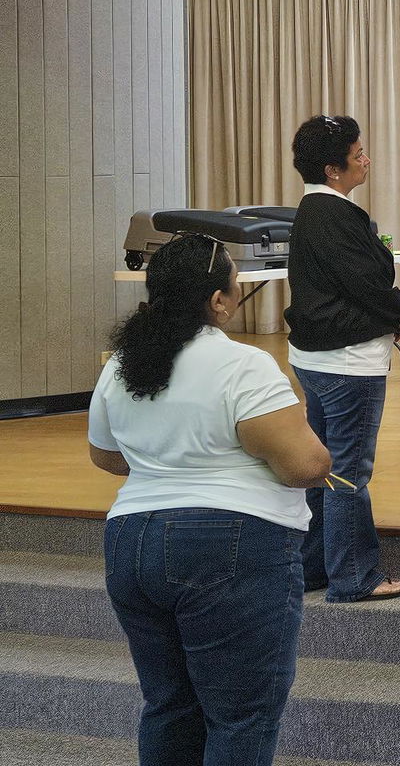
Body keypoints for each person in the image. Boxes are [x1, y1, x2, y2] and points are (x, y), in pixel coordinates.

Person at [88, 234, 332, 765]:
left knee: (169, 706)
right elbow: (306, 466)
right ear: (218, 301)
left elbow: (107, 457)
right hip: (231, 543)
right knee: (240, 715)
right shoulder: (243, 366)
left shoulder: (121, 365)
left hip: (130, 541)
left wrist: (171, 459)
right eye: (234, 291)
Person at [284, 114, 400, 602]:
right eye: (358, 155)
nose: (367, 161)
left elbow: (358, 283)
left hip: (315, 359)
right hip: (346, 365)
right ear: (332, 169)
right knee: (347, 473)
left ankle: (316, 567)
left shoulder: (314, 211)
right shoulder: (336, 215)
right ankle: (353, 577)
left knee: (323, 465)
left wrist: (393, 305)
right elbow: (365, 283)